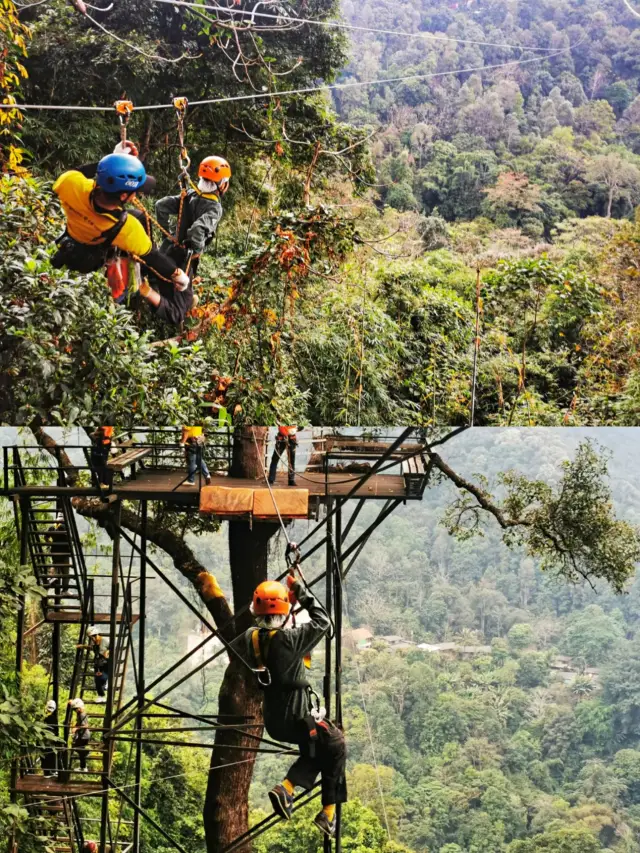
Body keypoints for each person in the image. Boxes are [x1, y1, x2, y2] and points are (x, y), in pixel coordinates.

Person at [232, 577, 347, 838]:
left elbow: (248, 645)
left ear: (255, 612)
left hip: (273, 722)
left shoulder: (250, 639)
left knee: (318, 750)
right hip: (297, 720)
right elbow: (323, 622)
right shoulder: (290, 640)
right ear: (284, 613)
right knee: (337, 744)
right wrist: (301, 593)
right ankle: (328, 814)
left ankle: (287, 788)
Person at [52, 145, 192, 324]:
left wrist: (113, 160)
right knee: (141, 230)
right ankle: (138, 283)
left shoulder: (71, 186)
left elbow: (75, 172)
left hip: (72, 238)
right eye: (136, 192)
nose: (136, 195)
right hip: (93, 256)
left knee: (140, 215)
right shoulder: (126, 229)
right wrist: (177, 275)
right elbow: (153, 256)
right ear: (124, 196)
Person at [155, 155, 230, 281]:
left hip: (167, 249)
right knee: (180, 293)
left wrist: (167, 236)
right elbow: (197, 229)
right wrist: (197, 251)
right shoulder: (214, 208)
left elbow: (160, 206)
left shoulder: (189, 195)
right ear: (222, 185)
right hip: (183, 259)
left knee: (157, 281)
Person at [77, 626, 110, 703]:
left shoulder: (105, 640)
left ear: (96, 635)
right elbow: (91, 648)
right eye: (91, 637)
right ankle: (101, 696)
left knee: (100, 678)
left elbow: (112, 648)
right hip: (98, 664)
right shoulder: (94, 643)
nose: (92, 638)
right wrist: (82, 646)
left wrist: (107, 652)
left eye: (93, 637)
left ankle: (105, 687)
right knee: (97, 680)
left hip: (106, 664)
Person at [45, 510, 71, 594]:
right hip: (64, 553)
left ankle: (51, 579)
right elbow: (69, 539)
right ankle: (64, 590)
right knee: (65, 573)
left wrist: (50, 543)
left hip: (54, 551)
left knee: (55, 566)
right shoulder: (65, 527)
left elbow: (46, 536)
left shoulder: (52, 527)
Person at [68, 698, 90, 772]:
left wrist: (76, 728)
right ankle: (83, 767)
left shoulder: (81, 714)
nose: (75, 710)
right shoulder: (80, 713)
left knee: (78, 749)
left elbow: (86, 725)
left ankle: (86, 753)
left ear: (79, 708)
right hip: (84, 735)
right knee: (79, 750)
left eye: (76, 709)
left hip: (84, 736)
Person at [41, 699, 58, 777]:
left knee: (45, 754)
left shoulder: (42, 716)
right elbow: (55, 729)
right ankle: (51, 771)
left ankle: (47, 772)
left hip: (43, 739)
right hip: (50, 739)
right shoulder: (53, 718)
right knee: (51, 754)